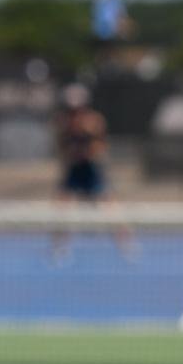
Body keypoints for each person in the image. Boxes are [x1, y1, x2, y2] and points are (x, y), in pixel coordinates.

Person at [51, 83, 135, 262]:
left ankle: (126, 245)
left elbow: (101, 145)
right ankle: (59, 247)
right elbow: (61, 147)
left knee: (111, 209)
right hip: (74, 171)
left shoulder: (94, 120)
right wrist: (71, 151)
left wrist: (87, 142)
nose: (75, 111)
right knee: (62, 209)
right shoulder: (62, 121)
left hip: (92, 171)